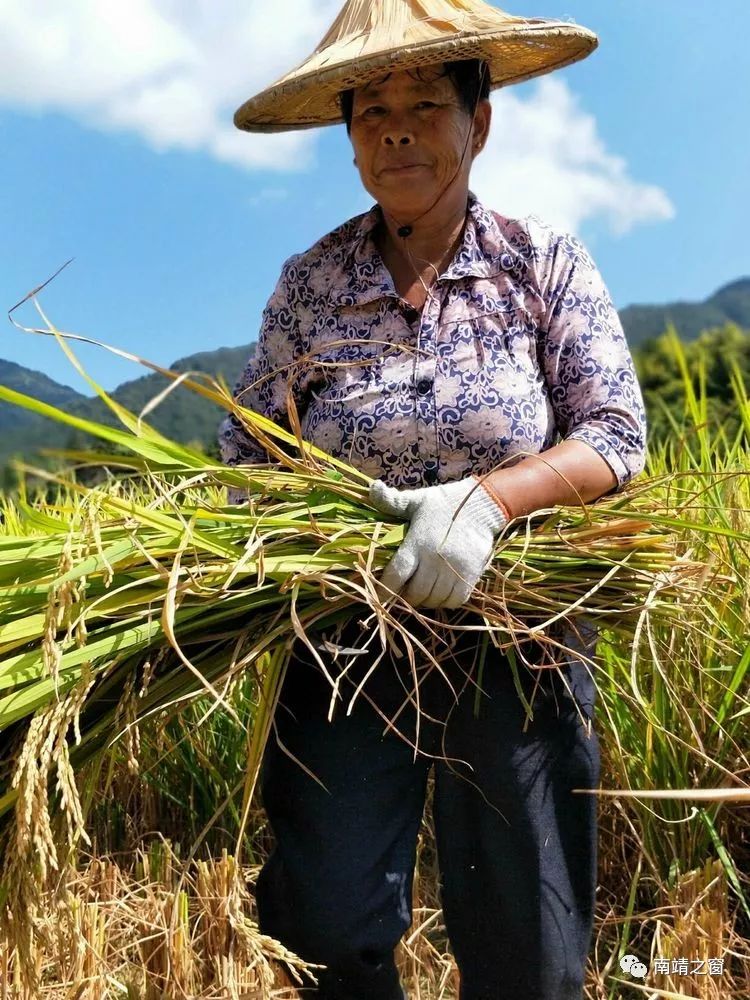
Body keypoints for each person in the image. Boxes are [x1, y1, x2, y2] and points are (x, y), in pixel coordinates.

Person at [219, 1, 647, 997]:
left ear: (477, 122)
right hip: (348, 634)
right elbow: (249, 454)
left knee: (529, 937)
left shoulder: (540, 260)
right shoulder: (310, 285)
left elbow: (615, 435)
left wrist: (489, 504)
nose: (396, 130)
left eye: (424, 104)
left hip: (519, 630)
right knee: (324, 920)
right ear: (349, 139)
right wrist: (297, 529)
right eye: (371, 111)